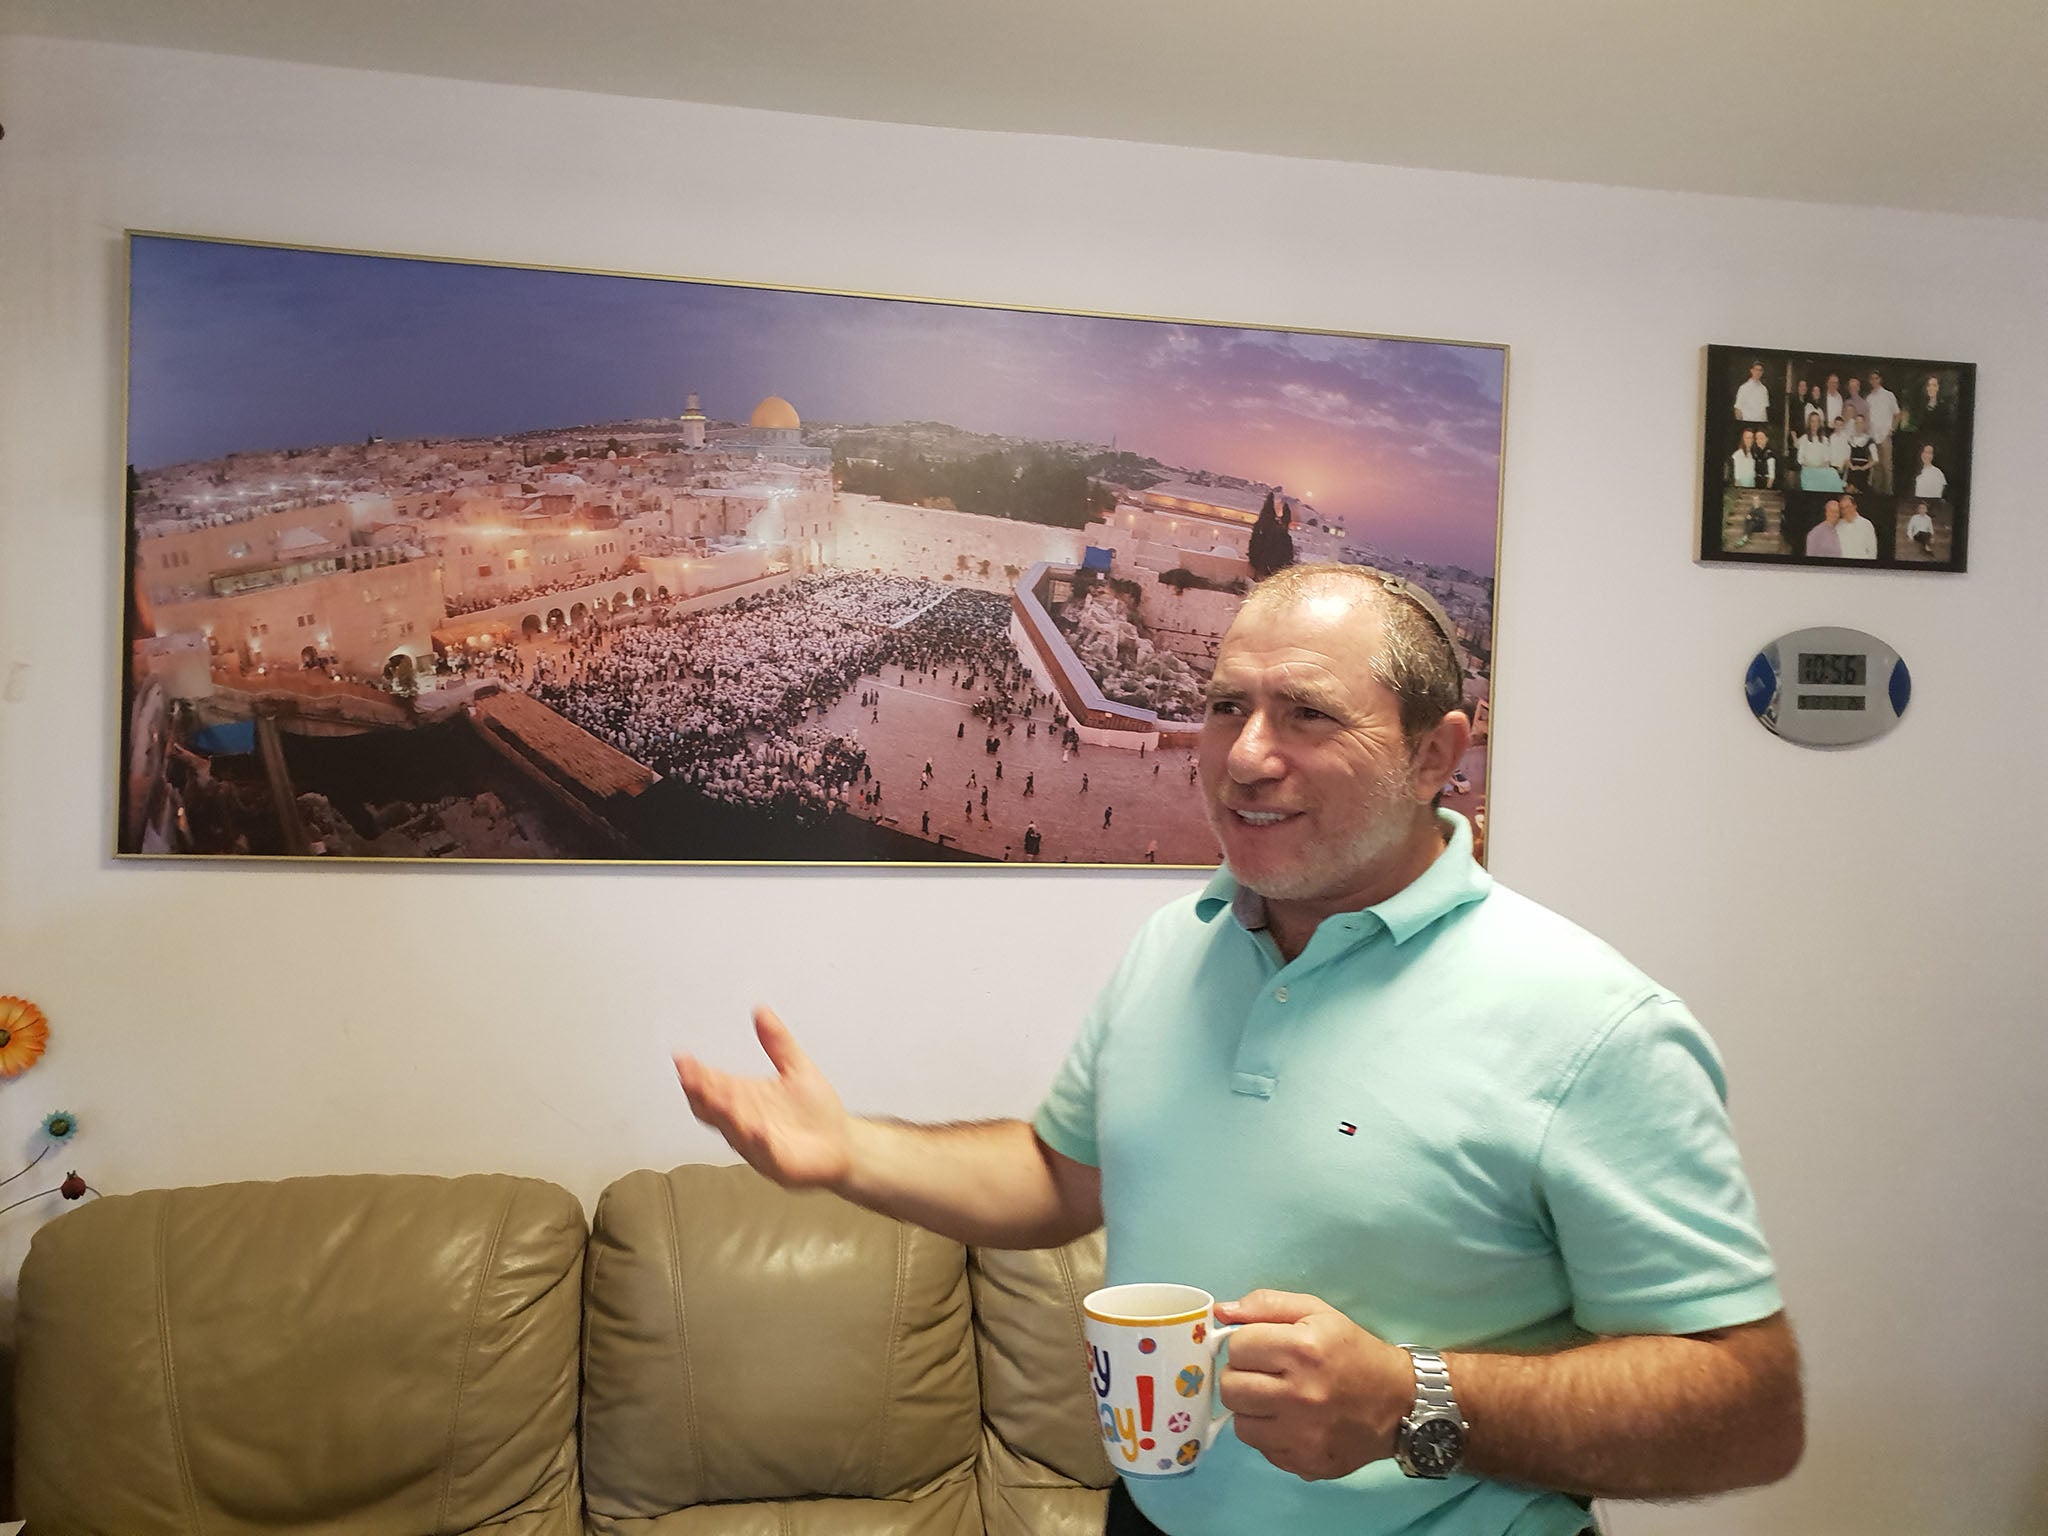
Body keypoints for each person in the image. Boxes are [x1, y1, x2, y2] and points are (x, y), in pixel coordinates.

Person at [675, 565, 1802, 1536]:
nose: (1243, 758)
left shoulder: (1591, 1021)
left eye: (1306, 714)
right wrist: (846, 1152)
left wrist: (1407, 1400)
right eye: (1224, 706)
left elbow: (1746, 1411)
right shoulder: (1176, 945)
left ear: (1433, 754)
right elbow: (1061, 1177)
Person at [1864, 369, 1900, 493]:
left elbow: (1897, 414)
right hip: (1873, 437)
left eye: (1876, 378)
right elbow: (1868, 418)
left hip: (1885, 436)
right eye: (1872, 378)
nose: (1874, 381)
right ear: (1870, 381)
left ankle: (1889, 493)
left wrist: (1892, 429)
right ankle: (1877, 493)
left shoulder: (1888, 395)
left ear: (1880, 379)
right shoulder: (1868, 398)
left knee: (1887, 467)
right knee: (1876, 467)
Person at [1833, 495, 1878, 559]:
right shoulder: (1837, 525)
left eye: (1848, 507)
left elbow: (1872, 551)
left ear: (1855, 506)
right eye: (1842, 508)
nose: (1845, 511)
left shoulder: (1866, 524)